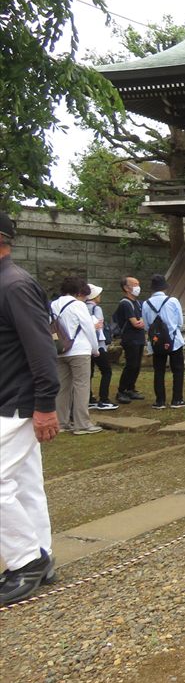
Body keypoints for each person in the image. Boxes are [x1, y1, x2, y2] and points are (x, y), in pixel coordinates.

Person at [0, 213, 61, 606]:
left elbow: (41, 348)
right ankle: (43, 554)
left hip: (17, 400)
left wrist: (45, 404)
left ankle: (25, 560)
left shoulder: (15, 285)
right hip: (7, 395)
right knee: (24, 484)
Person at [51, 277, 102, 434]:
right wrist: (95, 348)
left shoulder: (53, 305)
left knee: (62, 387)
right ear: (80, 292)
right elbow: (88, 328)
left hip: (59, 349)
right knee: (81, 386)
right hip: (79, 350)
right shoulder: (78, 305)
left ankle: (61, 422)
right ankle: (82, 424)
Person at [141, 274, 185, 409]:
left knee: (159, 370)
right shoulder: (173, 301)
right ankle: (177, 399)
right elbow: (180, 321)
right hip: (173, 339)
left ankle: (160, 401)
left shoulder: (145, 304)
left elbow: (145, 325)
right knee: (178, 370)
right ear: (164, 287)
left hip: (156, 341)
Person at [113, 275, 146, 404]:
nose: (138, 287)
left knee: (137, 365)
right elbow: (135, 323)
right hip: (130, 339)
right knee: (130, 365)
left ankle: (131, 388)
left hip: (139, 338)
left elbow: (142, 320)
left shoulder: (137, 303)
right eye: (135, 284)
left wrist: (141, 321)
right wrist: (141, 322)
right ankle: (121, 391)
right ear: (126, 288)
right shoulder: (125, 303)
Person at [85, 284, 117, 411]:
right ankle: (104, 399)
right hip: (98, 345)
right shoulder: (96, 309)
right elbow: (99, 327)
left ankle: (89, 398)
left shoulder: (81, 307)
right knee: (106, 371)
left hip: (85, 346)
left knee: (89, 373)